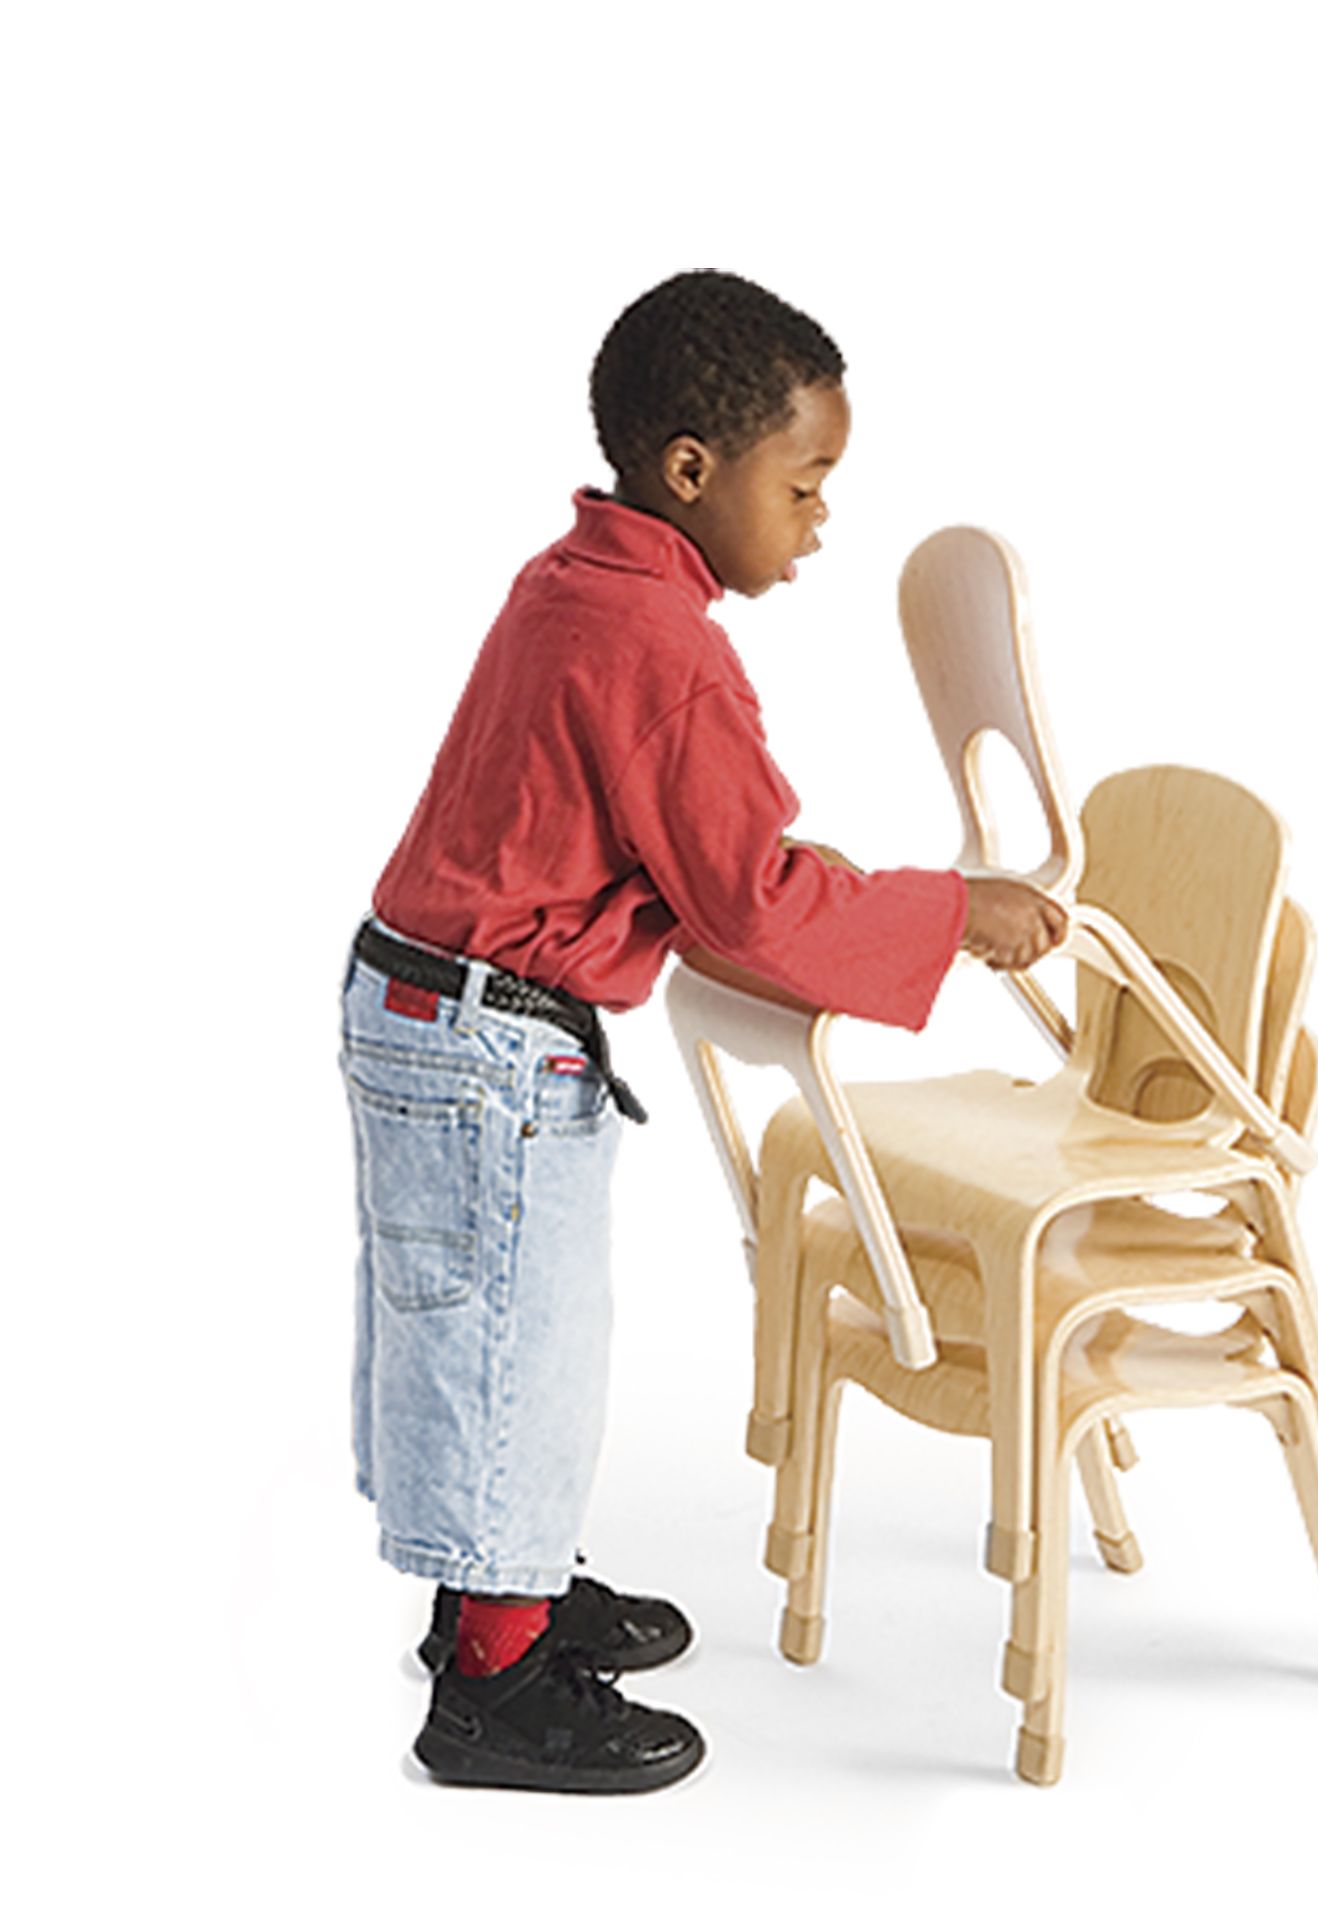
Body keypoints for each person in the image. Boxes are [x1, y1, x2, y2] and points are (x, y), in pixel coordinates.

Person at [343, 269, 1064, 1793]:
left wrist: (814, 883)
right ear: (692, 469)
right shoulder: (660, 646)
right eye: (803, 484)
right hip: (485, 1044)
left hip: (439, 1010)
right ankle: (494, 1684)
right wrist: (955, 912)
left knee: (489, 1335)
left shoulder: (578, 585)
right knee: (515, 1349)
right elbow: (751, 903)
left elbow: (689, 859)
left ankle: (502, 1587)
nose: (820, 519)